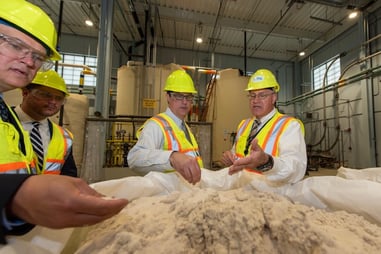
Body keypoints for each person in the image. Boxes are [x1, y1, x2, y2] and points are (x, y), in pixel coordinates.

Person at [0, 0, 127, 244]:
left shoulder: (18, 123)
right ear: (27, 93)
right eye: (16, 46)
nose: (29, 62)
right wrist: (15, 195)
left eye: (38, 57)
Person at [221, 69, 307, 184]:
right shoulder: (243, 125)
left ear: (274, 97)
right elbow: (237, 154)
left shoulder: (289, 126)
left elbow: (296, 169)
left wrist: (267, 162)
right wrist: (230, 158)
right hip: (242, 192)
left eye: (262, 95)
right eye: (252, 96)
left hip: (271, 195)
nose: (256, 101)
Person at [128, 70, 202, 185]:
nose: (184, 102)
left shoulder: (185, 128)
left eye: (188, 97)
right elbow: (134, 158)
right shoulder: (156, 125)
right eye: (178, 96)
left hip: (188, 195)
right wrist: (171, 157)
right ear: (167, 97)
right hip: (167, 198)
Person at [14, 70, 77, 176]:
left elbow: (68, 177)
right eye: (46, 95)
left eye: (59, 98)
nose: (53, 102)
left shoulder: (64, 137)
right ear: (25, 93)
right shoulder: (4, 122)